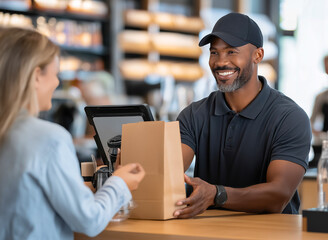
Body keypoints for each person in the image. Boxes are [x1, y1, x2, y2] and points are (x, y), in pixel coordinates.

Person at [0, 27, 145, 239]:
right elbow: (89, 220)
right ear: (36, 76)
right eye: (55, 74)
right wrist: (120, 183)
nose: (57, 82)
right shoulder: (49, 138)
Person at [173, 13, 311, 218]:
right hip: (208, 232)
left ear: (258, 55)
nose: (220, 62)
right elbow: (169, 173)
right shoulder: (193, 115)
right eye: (214, 52)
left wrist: (217, 194)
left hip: (273, 234)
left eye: (231, 52)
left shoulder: (290, 118)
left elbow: (278, 196)